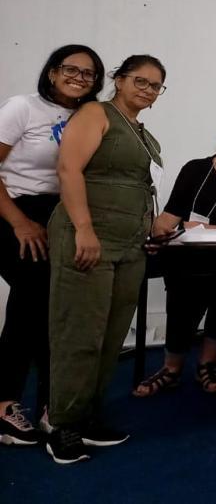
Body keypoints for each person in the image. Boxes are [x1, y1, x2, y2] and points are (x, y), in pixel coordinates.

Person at [46, 54, 166, 464]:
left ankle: (88, 417)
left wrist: (149, 231)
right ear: (119, 79)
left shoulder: (144, 134)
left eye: (155, 86)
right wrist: (83, 228)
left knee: (111, 335)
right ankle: (62, 425)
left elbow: (143, 187)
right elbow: (69, 169)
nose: (147, 90)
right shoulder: (95, 114)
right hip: (89, 239)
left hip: (130, 246)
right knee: (79, 333)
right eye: (140, 80)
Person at [0, 44, 104, 447]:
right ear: (52, 72)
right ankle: (5, 405)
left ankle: (50, 406)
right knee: (29, 304)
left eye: (88, 73)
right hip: (15, 211)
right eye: (70, 69)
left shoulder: (88, 115)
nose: (79, 78)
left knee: (55, 310)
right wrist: (19, 223)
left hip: (58, 216)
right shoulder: (22, 108)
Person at [133, 117, 216, 397]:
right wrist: (158, 231)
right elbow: (171, 215)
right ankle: (171, 368)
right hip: (190, 255)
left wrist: (209, 229)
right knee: (182, 291)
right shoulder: (194, 169)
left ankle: (207, 363)